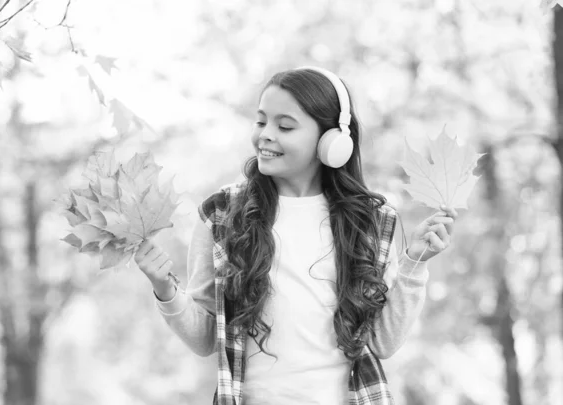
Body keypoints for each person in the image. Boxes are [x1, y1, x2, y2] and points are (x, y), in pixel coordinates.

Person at [134, 66, 457, 405]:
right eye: (261, 122)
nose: (265, 135)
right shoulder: (222, 214)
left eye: (284, 126)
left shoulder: (372, 221)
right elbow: (204, 339)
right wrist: (166, 289)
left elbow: (383, 343)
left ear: (332, 141)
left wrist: (414, 264)